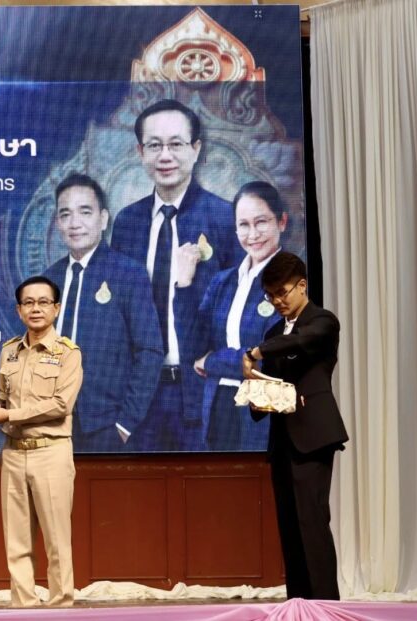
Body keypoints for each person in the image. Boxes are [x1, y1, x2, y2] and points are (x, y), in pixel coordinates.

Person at [111, 99, 243, 451]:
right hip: (139, 396)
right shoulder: (127, 223)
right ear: (140, 152)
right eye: (154, 145)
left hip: (201, 391)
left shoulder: (224, 218)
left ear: (196, 149)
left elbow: (237, 308)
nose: (165, 156)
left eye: (176, 144)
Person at [242, 252, 349, 600]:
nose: (277, 301)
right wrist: (255, 393)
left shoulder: (323, 321)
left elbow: (300, 341)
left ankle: (325, 606)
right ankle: (299, 604)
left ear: (302, 286)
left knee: (311, 522)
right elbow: (273, 383)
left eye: (282, 292)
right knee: (289, 526)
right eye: (271, 295)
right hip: (282, 439)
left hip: (313, 436)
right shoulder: (274, 331)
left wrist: (256, 352)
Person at [42, 174, 163, 452]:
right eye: (65, 214)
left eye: (85, 212)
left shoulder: (128, 274)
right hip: (50, 422)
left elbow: (150, 351)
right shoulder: (48, 280)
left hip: (106, 426)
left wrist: (125, 424)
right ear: (58, 223)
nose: (75, 223)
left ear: (104, 218)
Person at [0, 276, 83, 607]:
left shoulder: (68, 353)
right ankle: (23, 607)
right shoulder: (9, 351)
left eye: (43, 302)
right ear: (19, 310)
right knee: (17, 542)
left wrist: (9, 415)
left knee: (56, 540)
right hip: (13, 453)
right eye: (28, 303)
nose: (35, 309)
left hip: (51, 452)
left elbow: (60, 405)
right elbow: (2, 396)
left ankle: (61, 606)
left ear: (56, 308)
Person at [180, 181, 288, 450]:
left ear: (282, 222)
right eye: (244, 225)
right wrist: (184, 285)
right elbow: (192, 348)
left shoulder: (292, 282)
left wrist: (211, 361)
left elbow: (269, 358)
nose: (253, 234)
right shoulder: (223, 282)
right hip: (219, 407)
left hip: (264, 412)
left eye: (261, 222)